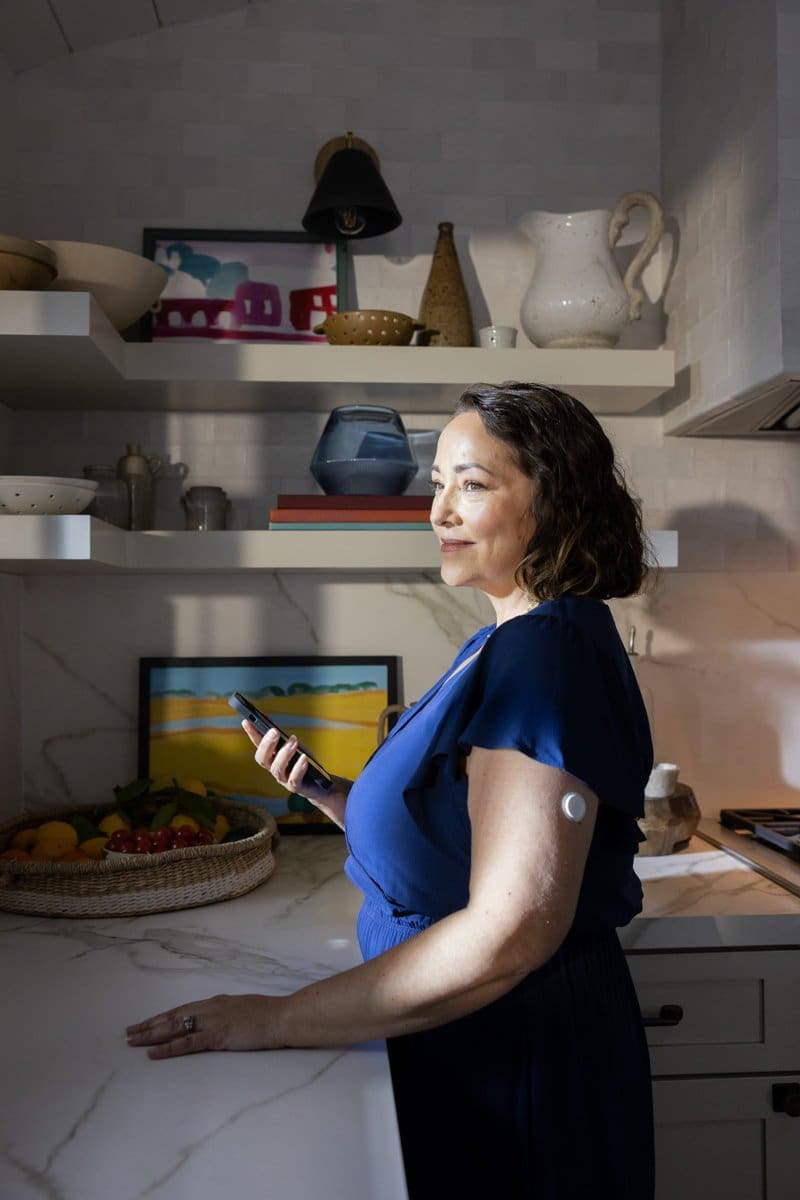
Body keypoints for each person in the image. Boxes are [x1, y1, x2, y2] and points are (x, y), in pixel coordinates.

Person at [127, 382, 655, 1200]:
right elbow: (465, 833)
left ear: (555, 501)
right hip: (456, 1033)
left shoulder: (544, 657)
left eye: (472, 484)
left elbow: (509, 934)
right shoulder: (502, 641)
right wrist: (336, 796)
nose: (439, 510)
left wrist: (272, 1019)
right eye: (437, 482)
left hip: (513, 1051)